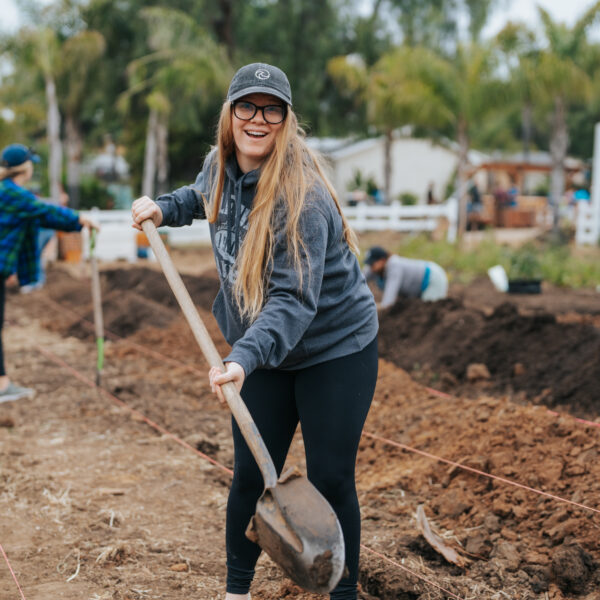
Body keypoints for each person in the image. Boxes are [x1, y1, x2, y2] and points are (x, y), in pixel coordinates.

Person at [131, 63, 379, 600]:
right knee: (249, 477)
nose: (258, 119)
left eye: (271, 109)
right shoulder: (219, 166)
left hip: (334, 348)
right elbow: (201, 195)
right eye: (247, 106)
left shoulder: (303, 196)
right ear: (230, 114)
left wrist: (241, 357)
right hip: (264, 353)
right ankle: (235, 593)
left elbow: (293, 300)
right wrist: (163, 207)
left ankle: (342, 593)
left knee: (332, 479)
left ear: (285, 120)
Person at [0, 143, 98, 402]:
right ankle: (1, 385)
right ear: (25, 167)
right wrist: (78, 219)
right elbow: (45, 211)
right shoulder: (11, 194)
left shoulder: (10, 193)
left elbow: (42, 217)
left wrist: (75, 222)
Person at [362, 246, 448, 309]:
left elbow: (388, 302)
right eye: (369, 264)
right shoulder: (373, 269)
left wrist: (371, 309)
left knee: (428, 310)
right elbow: (359, 281)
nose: (370, 267)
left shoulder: (394, 266)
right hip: (415, 288)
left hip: (433, 278)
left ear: (382, 260)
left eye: (373, 263)